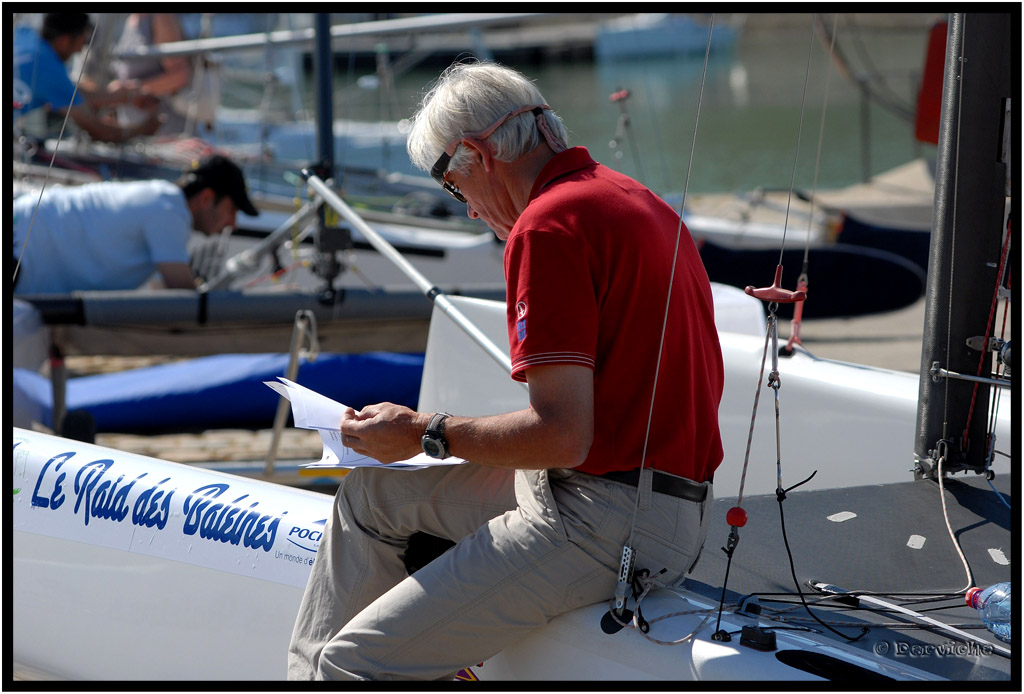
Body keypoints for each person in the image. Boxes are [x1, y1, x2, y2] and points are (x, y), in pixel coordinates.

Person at [287, 61, 724, 681]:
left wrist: (421, 431)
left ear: (475, 152)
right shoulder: (638, 201)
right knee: (371, 494)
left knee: (355, 665)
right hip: (659, 506)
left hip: (608, 521)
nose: (466, 211)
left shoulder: (548, 227)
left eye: (453, 187)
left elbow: (562, 435)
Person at [13, 154, 259, 293]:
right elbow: (182, 293)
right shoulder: (169, 210)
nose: (233, 223)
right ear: (206, 198)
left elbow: (160, 290)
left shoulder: (162, 199)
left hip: (22, 235)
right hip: (22, 251)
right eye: (232, 210)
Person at [13, 13, 158, 143]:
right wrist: (144, 128)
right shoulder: (48, 68)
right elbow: (102, 132)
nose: (80, 50)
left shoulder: (24, 33)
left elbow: (69, 92)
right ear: (64, 41)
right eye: (82, 43)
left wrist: (122, 96)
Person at [107, 13, 194, 136]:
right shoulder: (129, 20)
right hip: (134, 132)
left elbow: (181, 75)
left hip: (166, 135)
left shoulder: (161, 17)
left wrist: (133, 91)